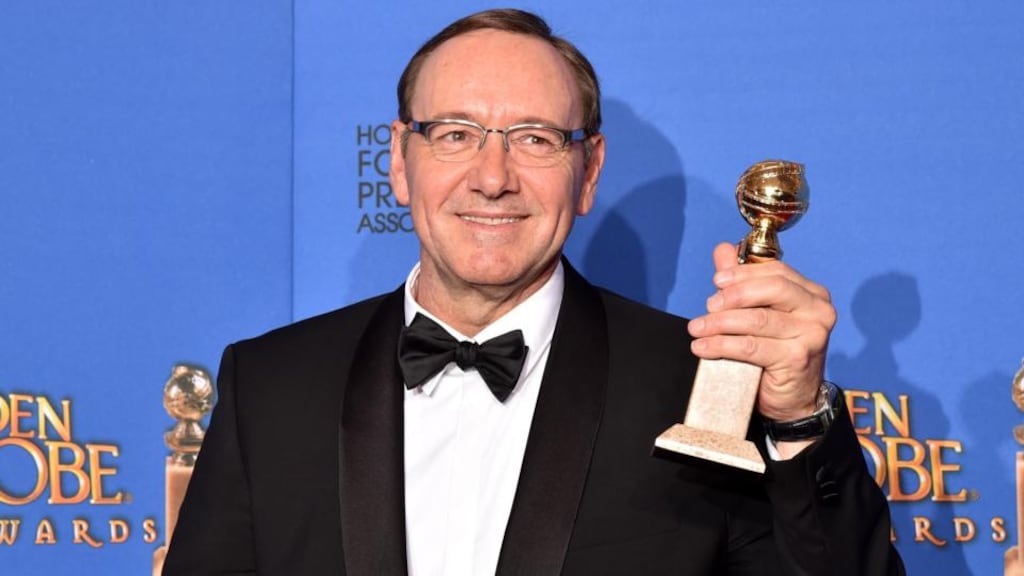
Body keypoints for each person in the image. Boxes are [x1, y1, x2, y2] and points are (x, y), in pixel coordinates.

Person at [164, 8, 904, 576]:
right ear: (398, 161)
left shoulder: (701, 390)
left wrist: (798, 419)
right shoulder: (272, 386)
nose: (493, 178)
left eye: (535, 139)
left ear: (589, 171)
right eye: (455, 134)